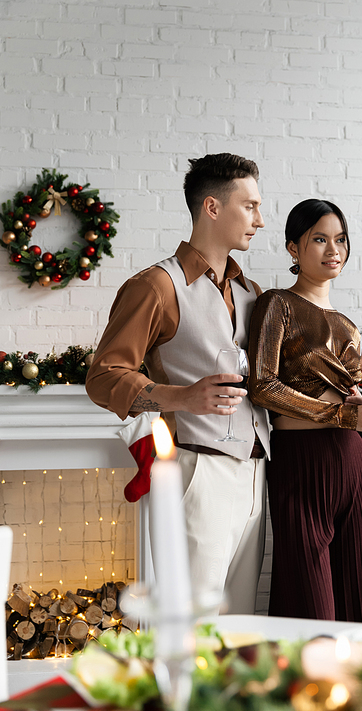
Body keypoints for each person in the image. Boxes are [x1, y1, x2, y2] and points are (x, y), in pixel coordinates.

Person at [86, 153, 270, 614]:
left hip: (255, 475)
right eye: (249, 206)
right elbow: (104, 376)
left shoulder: (254, 294)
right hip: (197, 474)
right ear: (212, 207)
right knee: (192, 629)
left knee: (239, 626)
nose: (260, 220)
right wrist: (183, 397)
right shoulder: (155, 285)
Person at [248, 198, 362, 623]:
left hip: (352, 460)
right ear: (293, 249)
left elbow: (351, 398)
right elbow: (263, 386)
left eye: (340, 239)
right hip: (302, 460)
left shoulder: (349, 324)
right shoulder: (278, 304)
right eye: (319, 239)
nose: (333, 249)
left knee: (360, 584)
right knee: (308, 595)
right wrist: (344, 415)